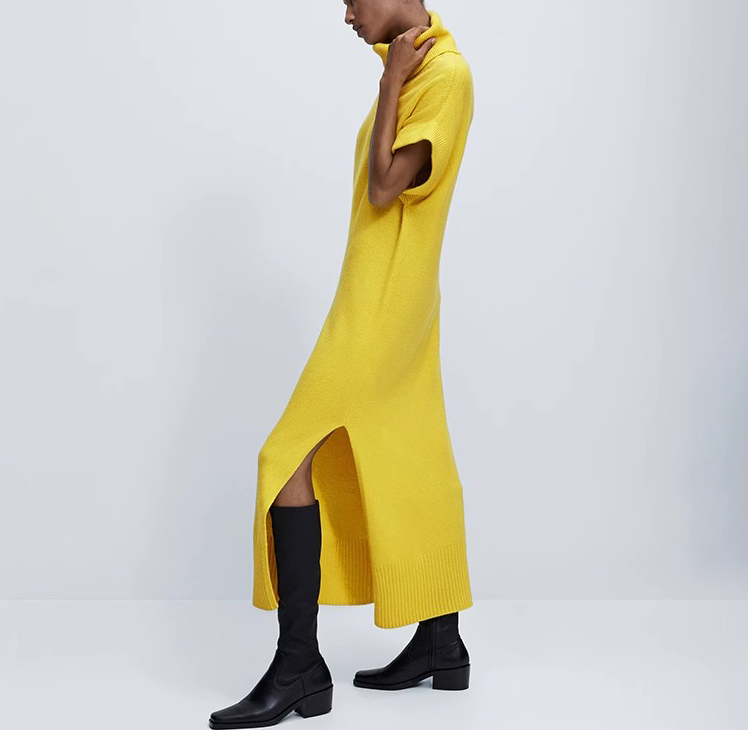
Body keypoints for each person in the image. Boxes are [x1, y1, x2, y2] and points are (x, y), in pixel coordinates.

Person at [209, 2, 475, 727]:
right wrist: (393, 78)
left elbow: (386, 186)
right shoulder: (422, 67)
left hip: (382, 308)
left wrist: (390, 84)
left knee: (283, 456)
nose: (347, 13)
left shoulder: (443, 75)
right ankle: (442, 642)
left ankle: (299, 665)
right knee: (412, 456)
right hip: (391, 297)